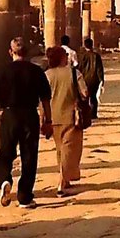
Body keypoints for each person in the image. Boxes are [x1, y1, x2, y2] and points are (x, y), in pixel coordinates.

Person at [0, 37, 52, 208]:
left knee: (5, 153)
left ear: (10, 52)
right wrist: (48, 121)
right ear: (28, 53)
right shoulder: (37, 71)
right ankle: (24, 196)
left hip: (9, 115)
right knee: (29, 156)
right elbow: (45, 100)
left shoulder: (3, 71)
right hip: (30, 115)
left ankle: (5, 180)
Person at [44, 45, 89, 196]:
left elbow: (42, 100)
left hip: (53, 118)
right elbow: (85, 92)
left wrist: (43, 119)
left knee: (60, 150)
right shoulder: (73, 73)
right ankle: (61, 184)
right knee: (69, 151)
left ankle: (66, 179)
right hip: (71, 117)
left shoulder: (47, 75)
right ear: (63, 58)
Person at [78, 37, 105, 120]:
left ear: (84, 46)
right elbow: (99, 69)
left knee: (84, 98)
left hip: (84, 79)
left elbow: (79, 68)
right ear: (92, 45)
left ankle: (85, 115)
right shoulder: (96, 56)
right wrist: (101, 80)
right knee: (93, 97)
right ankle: (93, 114)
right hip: (94, 79)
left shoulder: (82, 56)